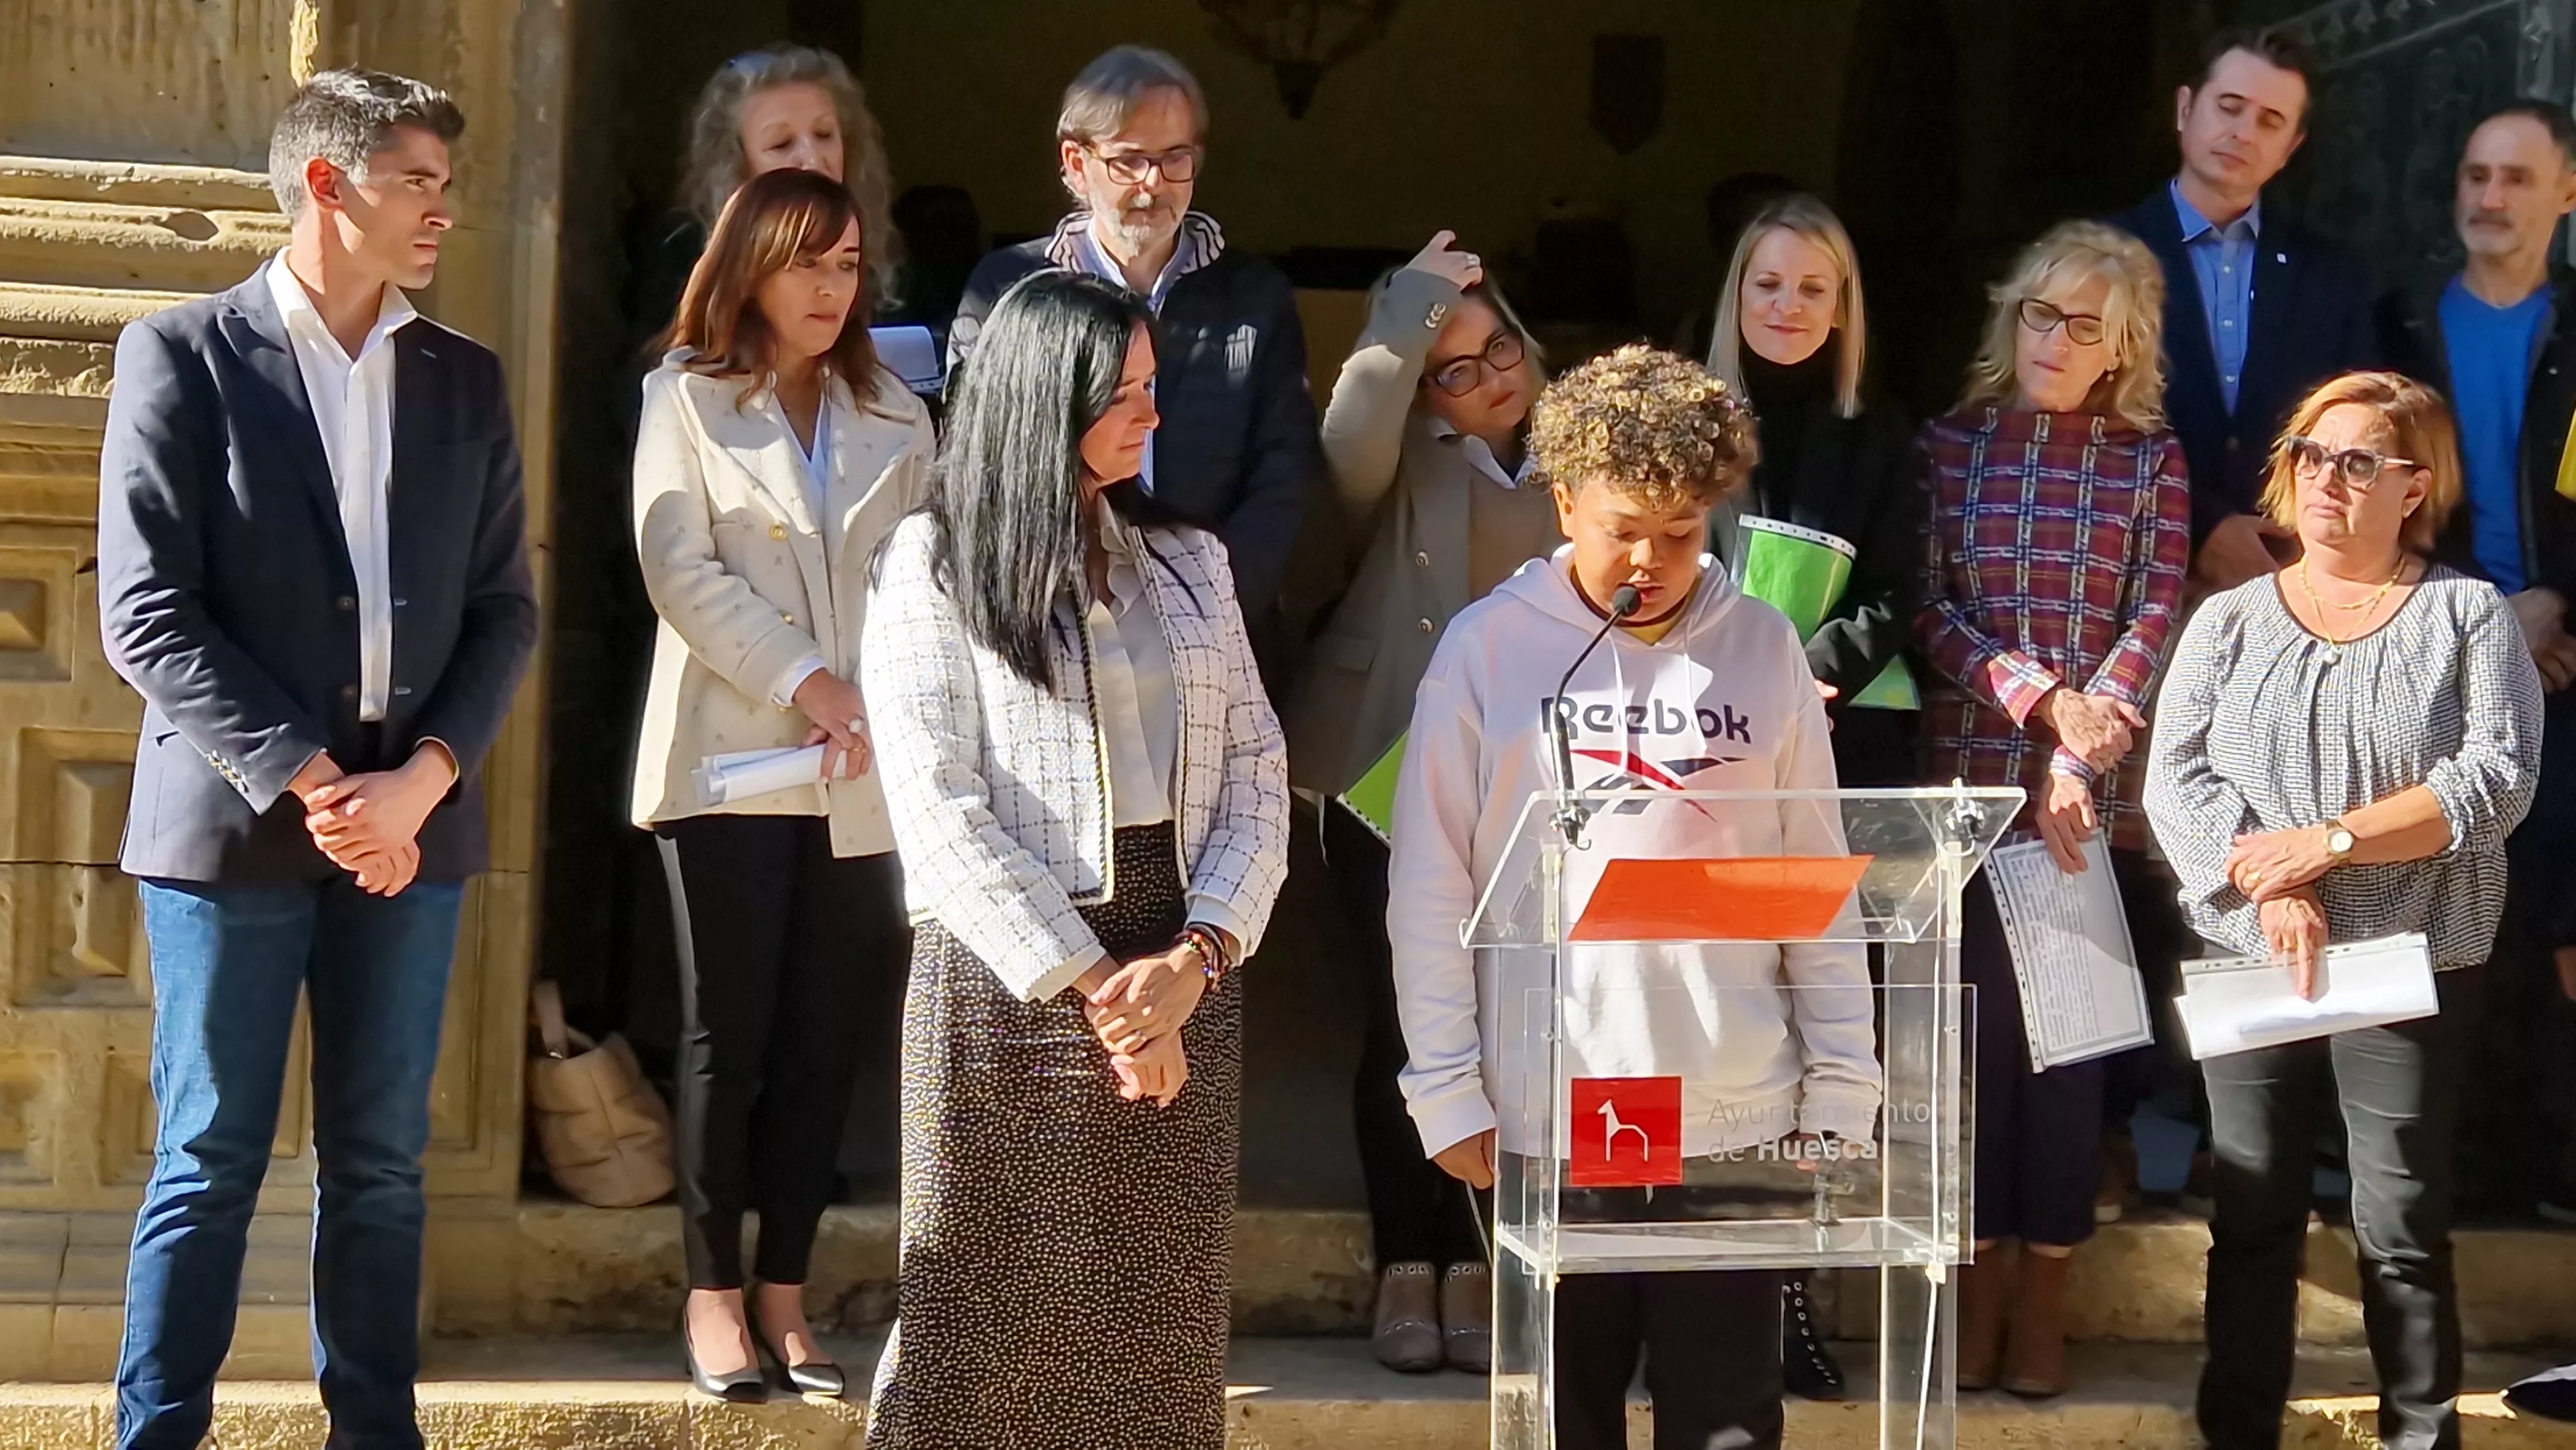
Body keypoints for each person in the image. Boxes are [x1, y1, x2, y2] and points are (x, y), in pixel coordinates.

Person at [95, 70, 538, 1449]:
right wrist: (311, 778)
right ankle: (157, 1431)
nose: (443, 213)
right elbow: (145, 615)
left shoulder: (461, 376)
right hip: (232, 830)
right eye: (419, 183)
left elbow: (503, 609)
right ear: (329, 188)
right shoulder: (182, 354)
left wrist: (421, 781)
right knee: (209, 1156)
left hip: (412, 830)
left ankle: (376, 1434)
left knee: (382, 1166)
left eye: (447, 188)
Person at [1390, 345, 1882, 1450]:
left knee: (1726, 1418)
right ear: (1564, 502)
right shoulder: (1487, 652)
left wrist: (1844, 1076)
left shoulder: (1761, 646)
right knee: (1574, 1409)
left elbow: (1813, 873)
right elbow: (1431, 881)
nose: (1649, 561)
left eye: (1680, 532)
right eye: (1623, 528)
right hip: (1573, 1099)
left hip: (1733, 1098)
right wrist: (1446, 1080)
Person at [860, 269, 1291, 1449]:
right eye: (1126, 394)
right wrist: (1104, 991)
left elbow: (1259, 767)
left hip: (1186, 951)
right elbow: (935, 801)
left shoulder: (1192, 560)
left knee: (1156, 1326)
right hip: (1010, 974)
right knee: (978, 1320)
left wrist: (1195, 960)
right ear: (1047, 398)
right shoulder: (931, 564)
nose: (1153, 417)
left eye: (1156, 388)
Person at [2143, 370, 2543, 1450]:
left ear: (2415, 486)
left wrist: (2323, 849)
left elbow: (2495, 780)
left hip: (2415, 953)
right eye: (2313, 454)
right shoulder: (2227, 620)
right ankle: (2237, 1434)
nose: (2326, 478)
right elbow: (2173, 779)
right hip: (2253, 948)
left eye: (2359, 459)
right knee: (2252, 1215)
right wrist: (2268, 891)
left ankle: (2422, 1436)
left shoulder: (2468, 617)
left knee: (2401, 1225)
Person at [629, 168, 929, 1400]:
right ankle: (709, 1293)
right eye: (808, 260)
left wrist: (892, 705)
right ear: (749, 263)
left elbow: (936, 572)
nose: (830, 286)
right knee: (727, 1036)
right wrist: (810, 679)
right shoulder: (685, 398)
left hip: (867, 774)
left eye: (848, 263)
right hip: (730, 762)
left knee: (824, 1041)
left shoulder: (898, 409)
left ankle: (787, 1297)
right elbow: (676, 565)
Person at [1916, 220, 2192, 1398]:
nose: (2056, 339)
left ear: (2121, 347)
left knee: (2065, 1059)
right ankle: (1972, 1295)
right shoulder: (1946, 445)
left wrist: (2088, 744)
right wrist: (2041, 706)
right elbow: (1926, 608)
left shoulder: (2153, 461)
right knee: (1972, 1056)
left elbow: (2153, 612)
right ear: (2009, 316)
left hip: (2085, 794)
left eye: (2086, 324)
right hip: (1963, 782)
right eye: (2040, 312)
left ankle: (2045, 1302)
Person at [1284, 229, 1555, 1374]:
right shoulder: (1397, 446)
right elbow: (1340, 451)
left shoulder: (1584, 445)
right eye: (1457, 365)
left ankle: (1482, 1254)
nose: (1488, 375)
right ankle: (1409, 1257)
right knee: (1409, 1015)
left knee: (1513, 1018)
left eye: (1499, 348)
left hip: (1536, 777)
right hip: (1385, 760)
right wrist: (1404, 315)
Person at [1701, 191, 1922, 1397]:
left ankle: (1786, 1292)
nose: (1788, 307)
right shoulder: (1686, 418)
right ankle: (1686, 1278)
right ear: (1736, 298)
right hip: (1693, 759)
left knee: (1813, 1017)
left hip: (1837, 753)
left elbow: (1900, 592)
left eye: (1813, 289)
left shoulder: (1879, 435)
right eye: (1768, 285)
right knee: (1720, 1015)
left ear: (1845, 310)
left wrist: (1804, 677)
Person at [947, 45, 1318, 654]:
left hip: (1221, 635)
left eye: (1175, 159)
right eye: (1129, 162)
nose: (1154, 184)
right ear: (1075, 162)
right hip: (1049, 624)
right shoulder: (1007, 289)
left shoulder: (1255, 297)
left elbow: (1284, 477)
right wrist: (1043, 601)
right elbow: (976, 456)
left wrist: (1209, 605)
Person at [2376, 99, 2576, 1220]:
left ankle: (2552, 1167)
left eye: (2515, 178)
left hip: (2564, 661)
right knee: (2437, 913)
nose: (2489, 198)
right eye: (2474, 175)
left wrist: (2559, 607)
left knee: (2556, 914)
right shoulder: (2399, 326)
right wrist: (2472, 619)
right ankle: (2439, 1173)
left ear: (2566, 195)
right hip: (2425, 658)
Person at [2109, 26, 2376, 594]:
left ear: (2291, 148)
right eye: (2229, 108)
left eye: (2270, 121)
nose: (2243, 133)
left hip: (2294, 581)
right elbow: (2076, 422)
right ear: (2185, 109)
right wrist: (2202, 527)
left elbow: (2361, 425)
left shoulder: (2331, 277)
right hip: (2128, 577)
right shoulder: (2101, 258)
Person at [631, 45, 901, 363]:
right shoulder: (685, 257)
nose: (813, 160)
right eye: (782, 144)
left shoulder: (875, 245)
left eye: (825, 134)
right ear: (737, 167)